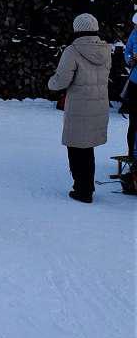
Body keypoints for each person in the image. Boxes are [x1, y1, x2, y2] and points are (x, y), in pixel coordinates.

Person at [48, 13, 111, 204]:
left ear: (77, 29)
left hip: (79, 107)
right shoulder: (106, 50)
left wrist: (50, 83)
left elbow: (61, 81)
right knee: (87, 148)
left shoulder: (72, 51)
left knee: (76, 149)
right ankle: (88, 186)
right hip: (99, 105)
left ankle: (82, 190)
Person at [121, 12, 137, 158]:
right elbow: (127, 52)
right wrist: (130, 60)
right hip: (134, 83)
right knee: (134, 122)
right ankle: (133, 155)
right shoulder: (134, 34)